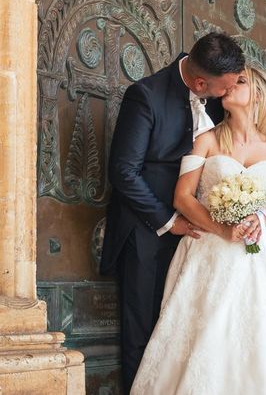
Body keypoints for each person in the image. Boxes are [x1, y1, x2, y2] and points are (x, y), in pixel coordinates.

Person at [130, 64, 266, 394]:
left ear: (259, 94)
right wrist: (221, 229)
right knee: (206, 336)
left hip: (257, 260)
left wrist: (261, 217)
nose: (231, 85)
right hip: (208, 253)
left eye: (242, 81)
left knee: (263, 341)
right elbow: (182, 198)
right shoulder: (206, 140)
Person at [100, 32, 247, 393]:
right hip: (148, 232)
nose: (228, 93)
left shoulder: (219, 100)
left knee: (187, 328)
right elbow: (124, 171)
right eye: (223, 88)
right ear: (200, 82)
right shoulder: (145, 96)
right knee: (146, 331)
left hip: (201, 238)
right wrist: (170, 221)